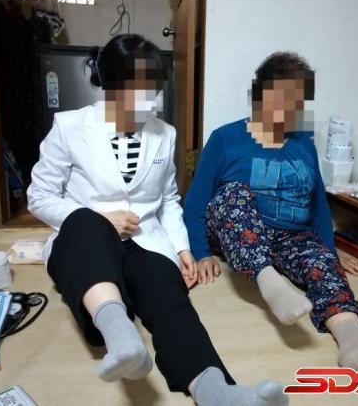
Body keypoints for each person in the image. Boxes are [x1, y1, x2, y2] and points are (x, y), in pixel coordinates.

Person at [28, 34, 288, 406]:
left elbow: (167, 200)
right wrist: (102, 219)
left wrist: (183, 248)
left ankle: (218, 393)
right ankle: (121, 338)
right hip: (84, 244)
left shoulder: (164, 133)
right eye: (137, 90)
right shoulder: (69, 127)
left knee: (171, 302)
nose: (147, 101)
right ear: (111, 85)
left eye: (152, 89)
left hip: (145, 239)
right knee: (86, 221)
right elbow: (40, 197)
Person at [183, 52, 358, 370]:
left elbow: (318, 207)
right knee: (233, 194)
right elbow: (196, 203)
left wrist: (329, 252)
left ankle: (354, 341)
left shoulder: (303, 143)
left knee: (324, 267)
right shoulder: (225, 139)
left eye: (297, 102)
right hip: (241, 229)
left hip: (293, 236)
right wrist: (201, 252)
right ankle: (270, 282)